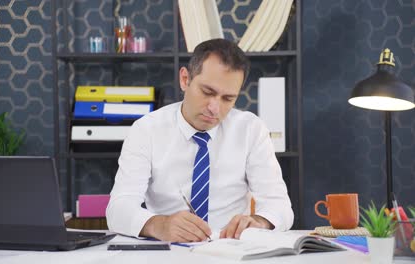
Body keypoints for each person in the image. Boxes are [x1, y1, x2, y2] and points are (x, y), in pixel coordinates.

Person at [106, 38, 293, 242]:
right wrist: (159, 225)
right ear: (185, 79)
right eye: (207, 92)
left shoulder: (251, 130)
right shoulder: (146, 130)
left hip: (231, 250)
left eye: (227, 98)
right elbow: (118, 209)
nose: (215, 108)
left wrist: (259, 222)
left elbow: (280, 207)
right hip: (168, 250)